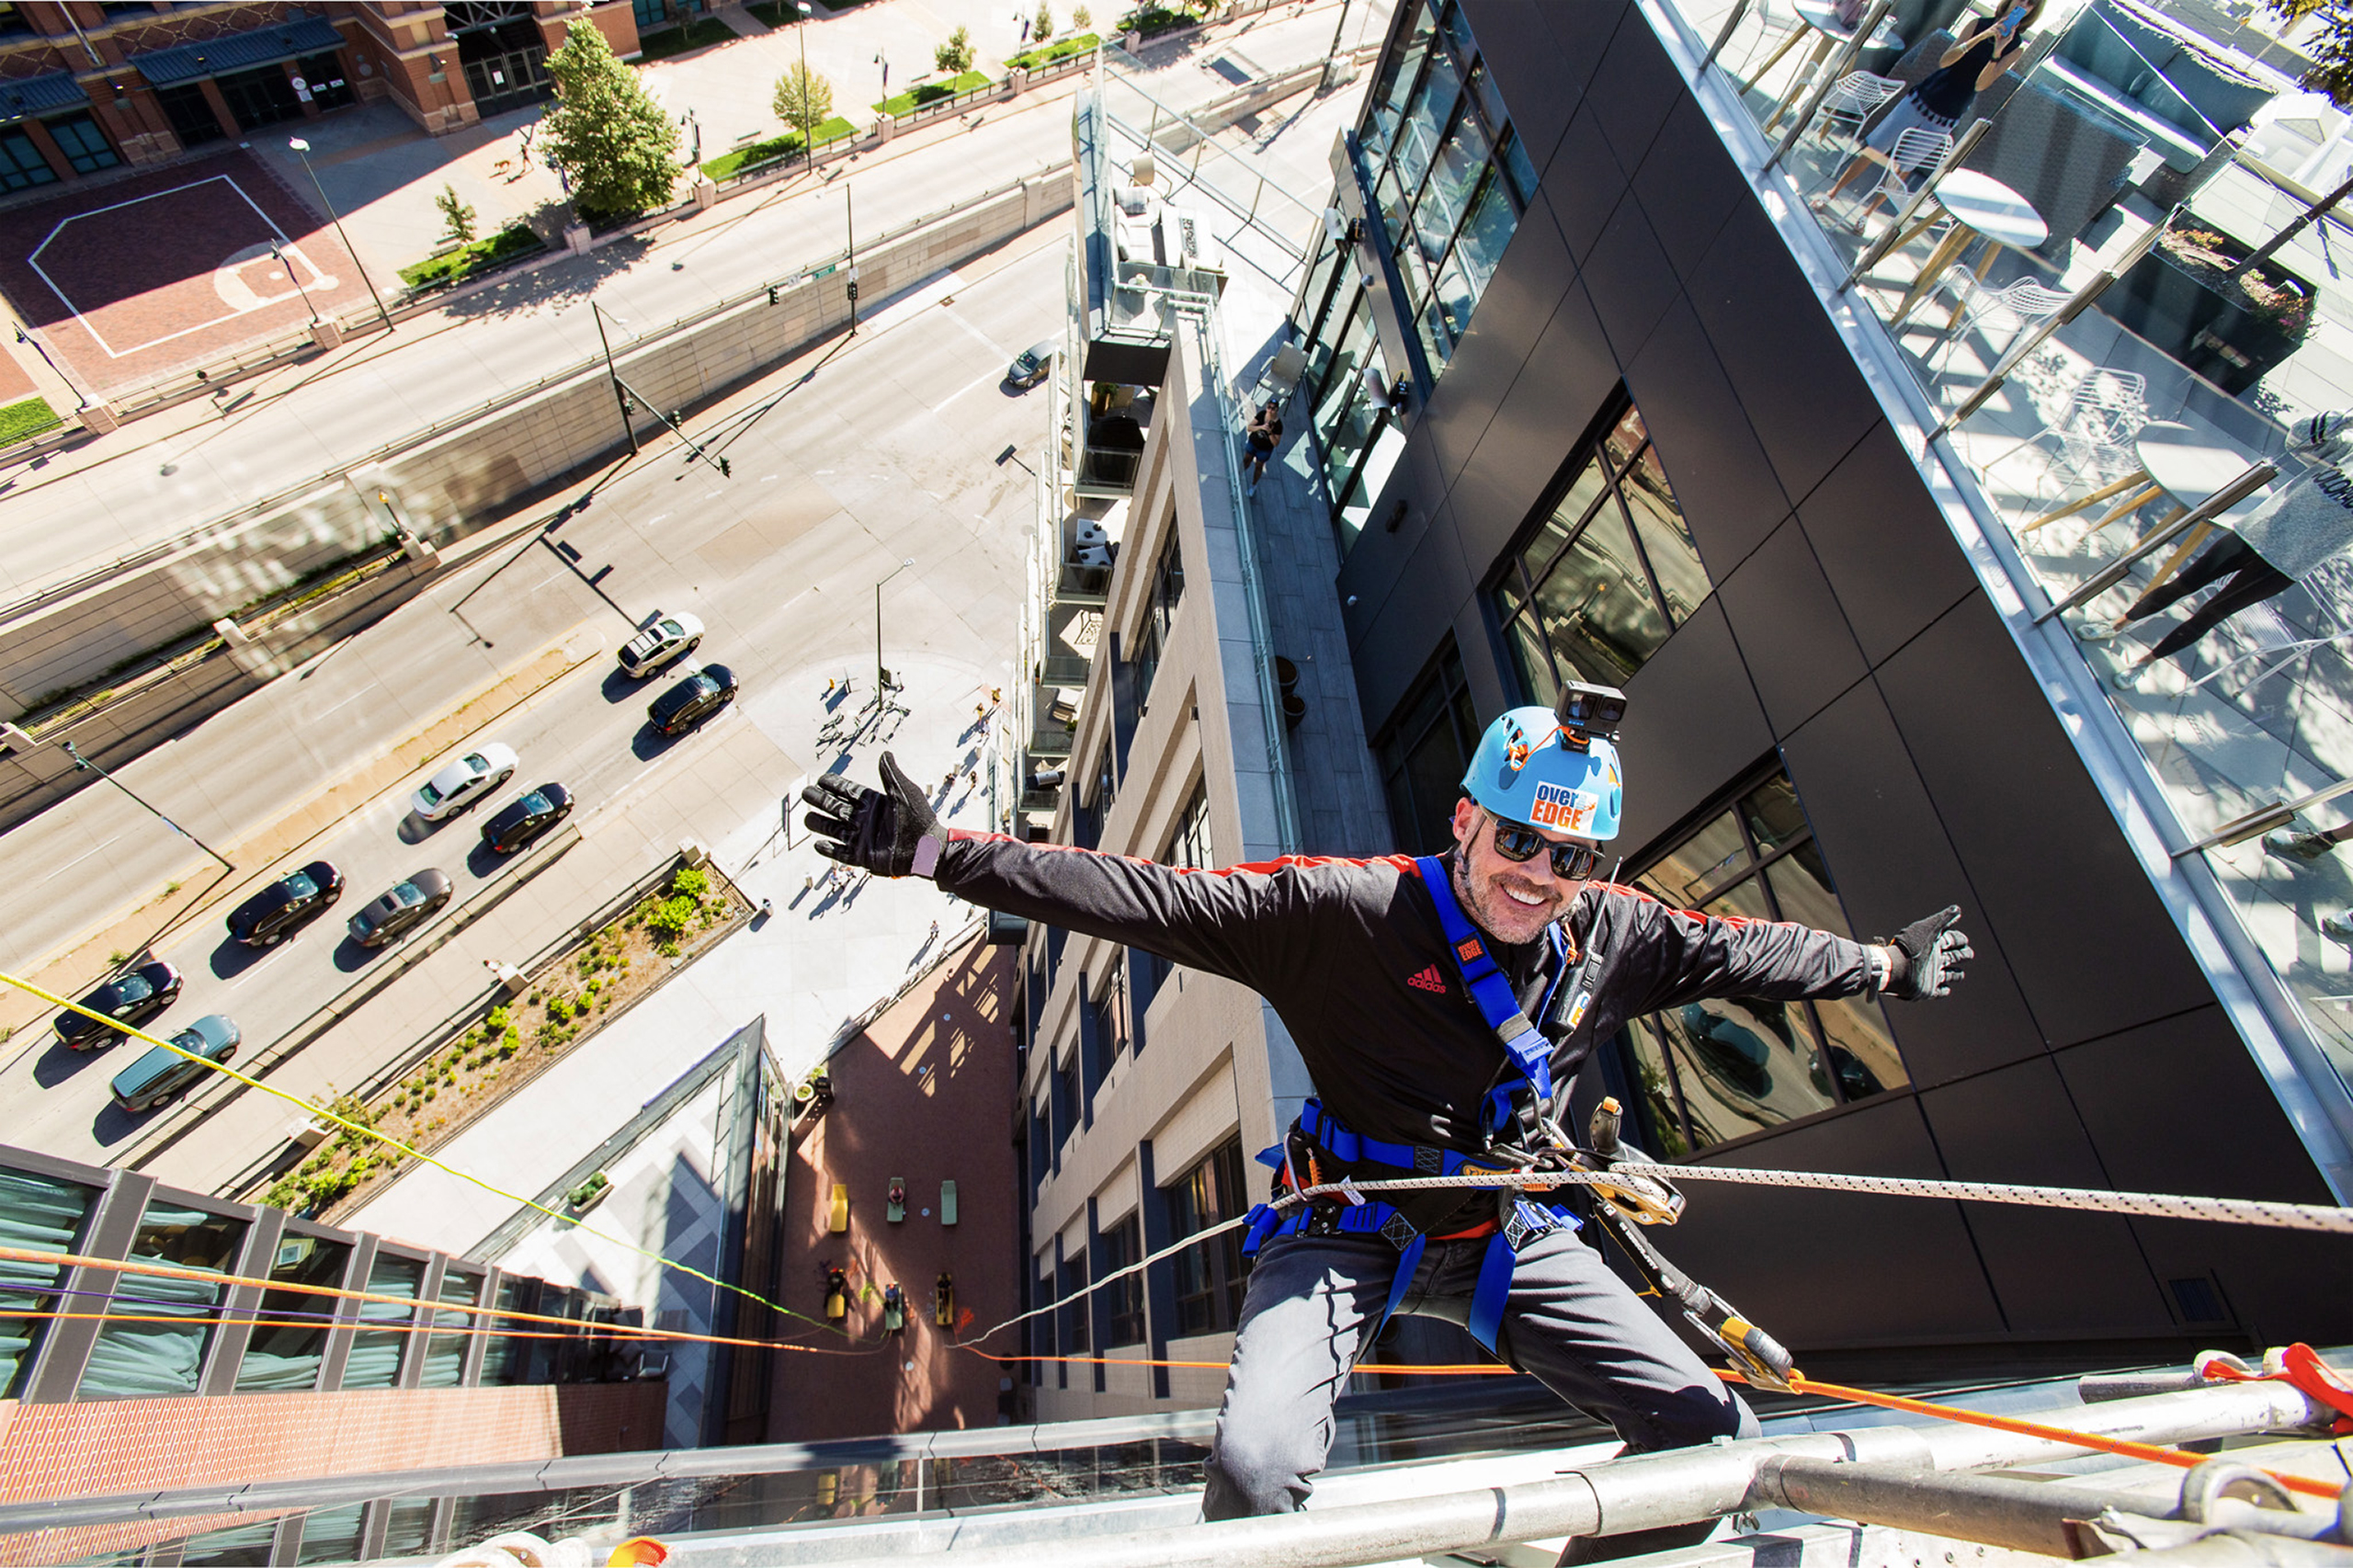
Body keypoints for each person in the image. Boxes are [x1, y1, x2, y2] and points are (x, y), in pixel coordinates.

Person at [801, 687, 1972, 1558]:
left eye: (1569, 856)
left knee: (1706, 1438)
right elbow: (1149, 897)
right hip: (1345, 1220)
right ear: (1464, 818)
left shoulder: (1612, 934)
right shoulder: (1344, 914)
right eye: (1517, 840)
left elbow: (1748, 950)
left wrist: (1884, 963)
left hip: (1511, 1227)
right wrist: (940, 854)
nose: (1538, 876)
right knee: (1254, 1474)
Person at [2086, 411, 2353, 691]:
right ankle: (2117, 625)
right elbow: (2298, 439)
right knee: (2181, 585)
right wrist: (2344, 419)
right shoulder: (2345, 452)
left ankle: (2144, 663)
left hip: (2287, 564)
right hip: (2255, 532)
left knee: (2211, 614)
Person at [1811, 0, 2041, 219]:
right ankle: (1833, 193)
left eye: (2030, 3)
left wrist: (1997, 51)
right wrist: (1982, 37)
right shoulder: (1978, 24)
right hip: (1924, 96)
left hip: (1949, 112)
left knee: (1904, 167)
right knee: (1875, 147)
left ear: (2033, 11)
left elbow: (1981, 85)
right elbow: (1945, 61)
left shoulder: (2016, 47)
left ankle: (1867, 213)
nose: (2023, 4)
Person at [1244, 399, 1283, 493]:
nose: (1270, 410)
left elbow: (1276, 443)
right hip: (1253, 443)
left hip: (1264, 450)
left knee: (1258, 466)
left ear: (1277, 409)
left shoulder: (1278, 426)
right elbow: (1249, 427)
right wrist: (1260, 427)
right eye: (1269, 407)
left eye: (1273, 408)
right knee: (1246, 460)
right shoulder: (1262, 414)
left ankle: (1253, 485)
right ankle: (1238, 474)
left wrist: (1269, 433)